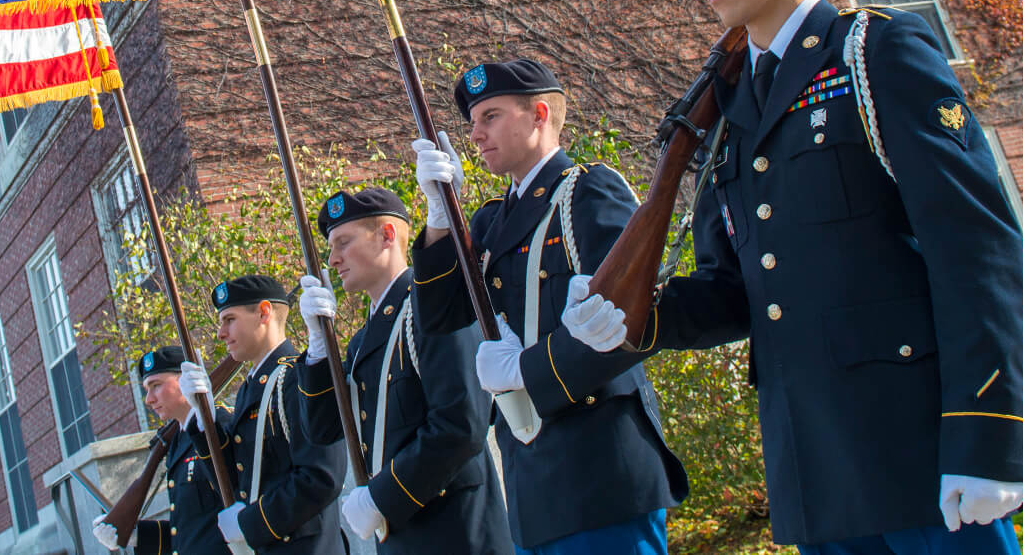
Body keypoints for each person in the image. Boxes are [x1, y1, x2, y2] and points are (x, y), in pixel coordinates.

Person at [562, 0, 1023, 555]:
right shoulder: (725, 116)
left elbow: (975, 246)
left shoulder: (873, 55)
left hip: (921, 450)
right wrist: (640, 315)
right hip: (812, 468)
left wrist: (987, 430)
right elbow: (737, 291)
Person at [411, 60, 687, 554]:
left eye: (490, 116)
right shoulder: (493, 220)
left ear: (539, 114)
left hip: (598, 468)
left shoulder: (587, 192)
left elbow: (629, 322)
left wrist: (525, 369)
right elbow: (439, 317)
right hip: (532, 475)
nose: (475, 135)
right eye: (472, 122)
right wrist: (438, 220)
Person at [294, 187, 509, 554]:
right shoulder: (362, 341)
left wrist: (382, 497)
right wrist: (317, 351)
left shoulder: (433, 306)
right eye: (331, 248)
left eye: (343, 242)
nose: (333, 259)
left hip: (455, 534)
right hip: (402, 537)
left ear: (387, 236)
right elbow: (323, 428)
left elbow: (462, 424)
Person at [181, 275, 345, 555]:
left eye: (229, 319)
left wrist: (250, 523)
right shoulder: (249, 389)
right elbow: (236, 479)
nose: (221, 333)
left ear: (264, 313)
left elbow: (321, 477)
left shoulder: (297, 377)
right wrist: (204, 417)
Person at [92, 346, 232, 555]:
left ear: (185, 380)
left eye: (156, 386)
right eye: (147, 389)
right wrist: (138, 534)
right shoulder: (176, 441)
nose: (149, 399)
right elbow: (189, 529)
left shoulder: (218, 427)